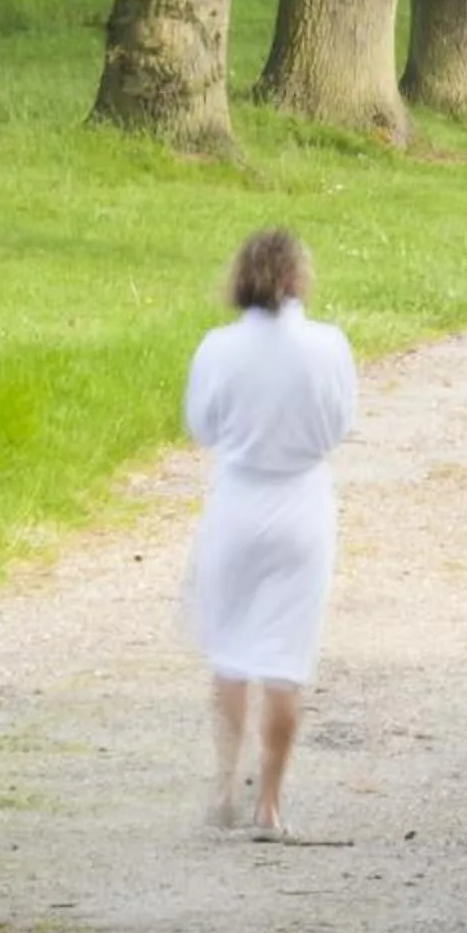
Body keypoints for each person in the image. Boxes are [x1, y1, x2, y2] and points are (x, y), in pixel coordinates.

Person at [183, 226, 356, 839]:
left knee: (231, 654)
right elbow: (340, 424)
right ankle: (271, 805)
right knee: (286, 661)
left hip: (237, 501)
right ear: (297, 278)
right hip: (303, 504)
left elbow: (201, 425)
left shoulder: (218, 347)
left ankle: (226, 785)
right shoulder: (329, 345)